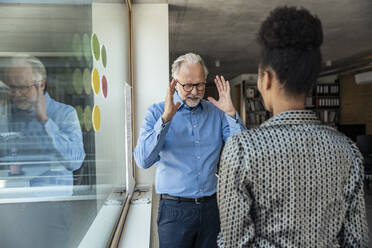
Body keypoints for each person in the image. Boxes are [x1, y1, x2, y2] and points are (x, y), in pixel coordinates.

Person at [217, 6, 369, 248]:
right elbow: (357, 241)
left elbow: (235, 243)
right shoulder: (349, 151)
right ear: (309, 82)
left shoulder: (242, 149)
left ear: (266, 79)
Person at [134, 53, 247, 248]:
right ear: (174, 83)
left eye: (200, 85)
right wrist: (165, 120)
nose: (194, 91)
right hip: (174, 212)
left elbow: (244, 155)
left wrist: (231, 114)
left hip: (212, 208)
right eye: (188, 85)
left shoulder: (217, 112)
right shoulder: (156, 112)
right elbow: (143, 160)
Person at [0, 55, 86, 248]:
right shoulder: (7, 115)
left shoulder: (64, 114)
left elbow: (74, 161)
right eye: (11, 87)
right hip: (10, 208)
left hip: (50, 211)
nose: (16, 94)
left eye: (23, 87)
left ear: (41, 84)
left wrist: (45, 121)